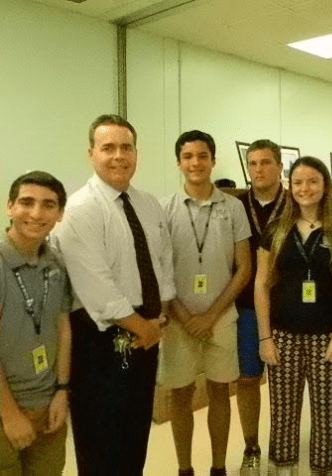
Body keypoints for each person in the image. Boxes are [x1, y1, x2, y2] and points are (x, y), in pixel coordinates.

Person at [55, 114, 176, 476]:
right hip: (100, 339)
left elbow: (162, 264)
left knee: (135, 431)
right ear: (91, 153)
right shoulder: (79, 209)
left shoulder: (148, 204)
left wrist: (161, 319)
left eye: (126, 148)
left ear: (136, 153)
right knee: (101, 439)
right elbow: (97, 286)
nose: (119, 156)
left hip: (147, 331)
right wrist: (146, 328)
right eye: (108, 148)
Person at [159, 130, 251, 476]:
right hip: (178, 319)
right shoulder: (164, 208)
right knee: (179, 395)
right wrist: (183, 316)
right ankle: (185, 468)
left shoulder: (233, 207)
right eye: (188, 156)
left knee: (219, 391)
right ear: (179, 163)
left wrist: (211, 315)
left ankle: (217, 467)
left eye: (202, 156)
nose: (195, 163)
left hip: (221, 317)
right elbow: (160, 269)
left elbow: (243, 268)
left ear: (213, 161)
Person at [254, 156, 332, 475]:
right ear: (289, 186)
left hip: (327, 337)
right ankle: (283, 470)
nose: (304, 188)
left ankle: (324, 470)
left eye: (312, 181)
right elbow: (261, 284)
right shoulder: (277, 230)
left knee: (326, 415)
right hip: (283, 336)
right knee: (282, 414)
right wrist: (265, 337)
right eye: (297, 182)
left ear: (325, 186)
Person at [0, 171, 71, 475]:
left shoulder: (55, 263)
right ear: (9, 206)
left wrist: (62, 391)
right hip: (6, 409)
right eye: (26, 202)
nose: (36, 213)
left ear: (59, 214)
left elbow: (63, 328)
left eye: (48, 205)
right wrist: (9, 413)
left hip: (48, 403)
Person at [235, 139, 285, 473]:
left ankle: (282, 444)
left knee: (284, 384)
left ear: (280, 166)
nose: (258, 170)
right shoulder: (235, 206)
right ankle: (251, 445)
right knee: (248, 379)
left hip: (288, 306)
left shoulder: (297, 201)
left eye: (265, 162)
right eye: (252, 163)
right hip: (246, 308)